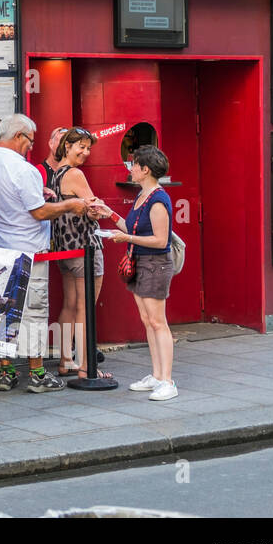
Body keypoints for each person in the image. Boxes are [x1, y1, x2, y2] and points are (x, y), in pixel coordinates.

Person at [0, 114, 89, 394]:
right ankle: (38, 374)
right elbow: (38, 212)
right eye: (29, 140)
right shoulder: (23, 168)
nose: (31, 146)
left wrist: (38, 192)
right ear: (18, 137)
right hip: (29, 250)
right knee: (33, 314)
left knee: (3, 312)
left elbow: (7, 201)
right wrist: (70, 205)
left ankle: (6, 372)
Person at [107, 145, 178, 401]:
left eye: (134, 165)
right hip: (140, 262)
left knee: (158, 322)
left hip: (154, 264)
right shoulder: (143, 196)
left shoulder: (158, 199)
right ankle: (157, 376)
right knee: (149, 321)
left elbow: (161, 240)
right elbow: (132, 227)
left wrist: (126, 237)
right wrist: (110, 215)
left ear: (145, 169)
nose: (131, 169)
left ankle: (167, 380)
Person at [50, 128, 112, 381]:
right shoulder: (75, 174)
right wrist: (107, 214)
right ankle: (87, 366)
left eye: (88, 148)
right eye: (81, 147)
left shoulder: (55, 173)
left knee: (70, 305)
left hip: (65, 250)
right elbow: (94, 207)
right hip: (85, 248)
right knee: (87, 309)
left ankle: (66, 360)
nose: (85, 153)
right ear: (67, 146)